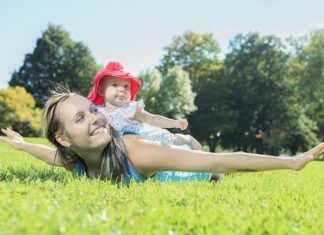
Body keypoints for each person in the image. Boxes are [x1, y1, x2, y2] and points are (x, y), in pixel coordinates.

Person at [0, 88, 323, 184]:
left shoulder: (135, 152)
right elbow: (50, 156)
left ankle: (183, 139)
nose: (97, 118)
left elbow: (220, 160)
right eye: (81, 118)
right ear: (65, 139)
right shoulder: (77, 161)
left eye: (93, 110)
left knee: (200, 156)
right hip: (163, 152)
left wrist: (290, 162)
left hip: (203, 172)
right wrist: (24, 146)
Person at [87, 61, 201, 150]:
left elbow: (152, 118)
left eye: (126, 86)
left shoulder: (129, 109)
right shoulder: (98, 111)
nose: (122, 89)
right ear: (101, 91)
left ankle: (187, 140)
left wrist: (174, 123)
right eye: (115, 85)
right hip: (129, 147)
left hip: (151, 138)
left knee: (174, 141)